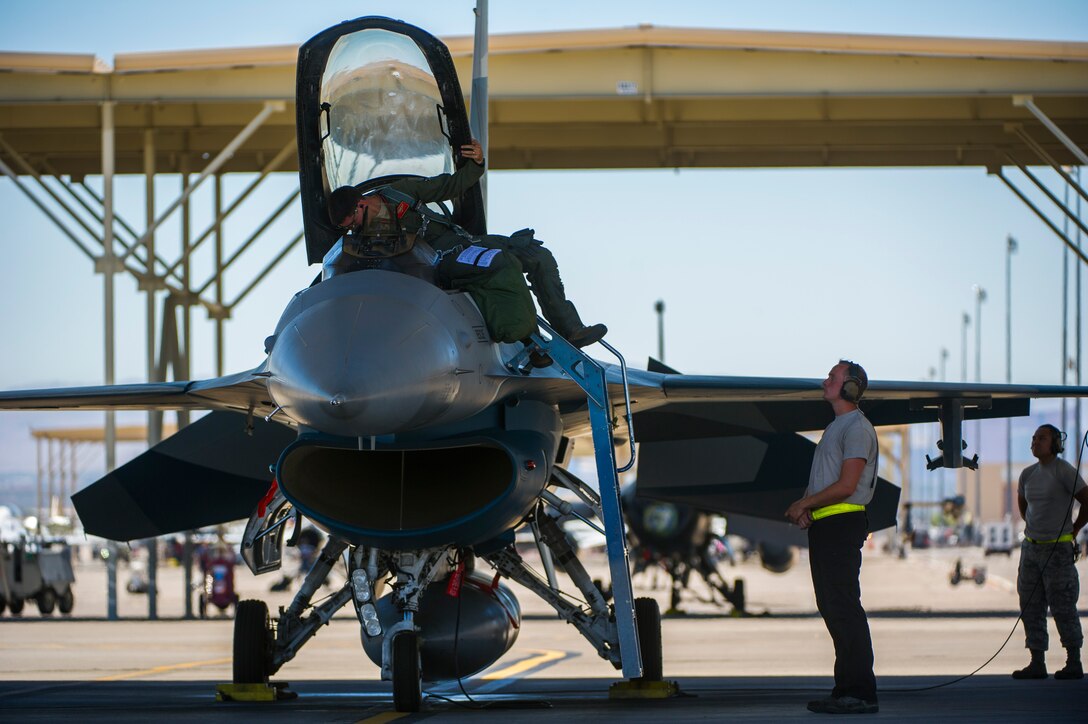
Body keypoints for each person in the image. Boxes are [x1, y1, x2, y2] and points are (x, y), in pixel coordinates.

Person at [327, 139, 606, 352]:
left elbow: (448, 186)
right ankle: (532, 345)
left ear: (361, 203)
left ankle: (570, 329)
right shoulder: (364, 241)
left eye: (350, 221)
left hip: (464, 242)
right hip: (439, 260)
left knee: (537, 254)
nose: (351, 228)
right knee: (500, 263)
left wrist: (476, 164)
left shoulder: (398, 193)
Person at [785, 360, 879, 715]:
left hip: (842, 526)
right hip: (827, 525)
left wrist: (803, 503)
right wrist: (810, 508)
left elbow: (846, 485)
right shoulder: (837, 427)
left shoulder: (856, 428)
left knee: (843, 607)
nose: (825, 381)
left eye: (833, 377)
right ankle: (846, 690)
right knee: (833, 607)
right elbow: (829, 481)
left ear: (850, 388)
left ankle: (861, 692)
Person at [1012, 423, 1088, 680]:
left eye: (1041, 438)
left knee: (1063, 605)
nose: (1035, 442)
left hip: (1057, 551)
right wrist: (1034, 529)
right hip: (1031, 550)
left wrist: (1075, 528)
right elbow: (1023, 507)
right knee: (1030, 605)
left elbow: (1087, 499)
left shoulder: (1063, 471)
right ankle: (1037, 661)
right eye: (1033, 438)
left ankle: (1074, 661)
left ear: (1055, 443)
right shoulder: (1027, 474)